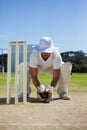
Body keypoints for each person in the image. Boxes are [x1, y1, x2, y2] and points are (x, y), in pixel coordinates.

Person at [18, 36, 72, 102]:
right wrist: (39, 88)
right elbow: (33, 75)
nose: (45, 52)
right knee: (23, 66)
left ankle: (62, 92)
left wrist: (51, 89)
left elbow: (56, 76)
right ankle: (24, 92)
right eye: (43, 50)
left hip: (51, 68)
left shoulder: (56, 55)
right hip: (39, 68)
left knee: (66, 67)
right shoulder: (34, 54)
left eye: (48, 50)